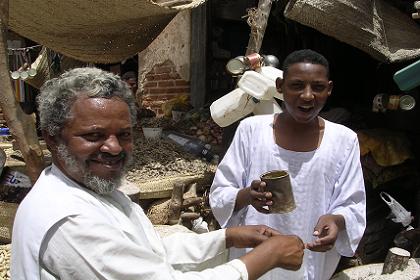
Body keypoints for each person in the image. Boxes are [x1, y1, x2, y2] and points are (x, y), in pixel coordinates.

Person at [11, 67, 305, 280]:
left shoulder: (93, 189)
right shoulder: (68, 219)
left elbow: (145, 252)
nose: (114, 148)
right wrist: (265, 258)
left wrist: (227, 237)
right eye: (93, 135)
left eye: (124, 134)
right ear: (51, 138)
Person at [210, 49, 366, 280]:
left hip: (311, 260)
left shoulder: (344, 140)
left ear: (329, 89)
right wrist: (247, 196)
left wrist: (336, 221)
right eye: (297, 85)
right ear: (280, 86)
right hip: (254, 259)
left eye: (318, 87)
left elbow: (352, 203)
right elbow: (221, 192)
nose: (307, 95)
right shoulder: (251, 131)